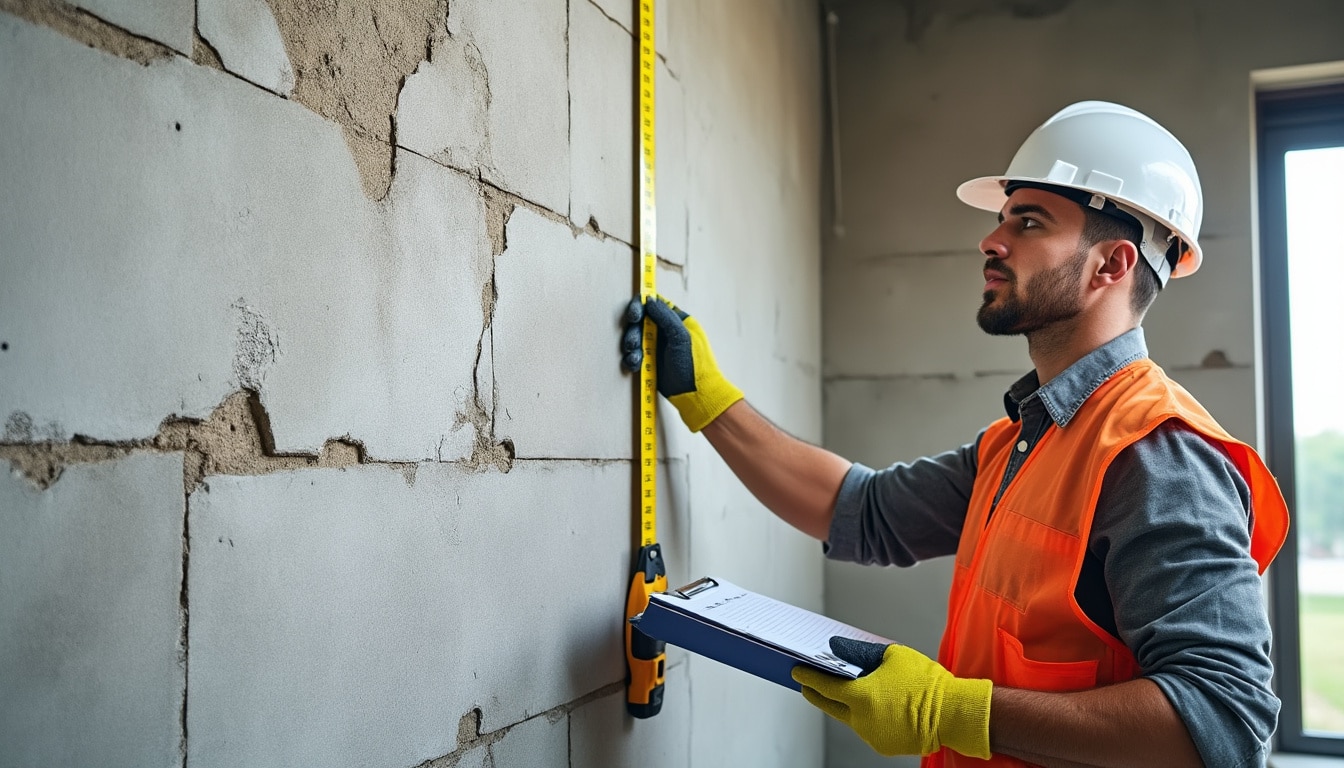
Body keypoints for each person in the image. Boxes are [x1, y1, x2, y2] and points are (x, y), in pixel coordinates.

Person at [619, 101, 1290, 767]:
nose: (991, 242)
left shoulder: (1156, 455)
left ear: (1110, 266)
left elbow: (1224, 721)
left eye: (1029, 222)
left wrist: (952, 712)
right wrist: (708, 398)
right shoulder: (1016, 444)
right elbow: (860, 510)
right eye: (1003, 219)